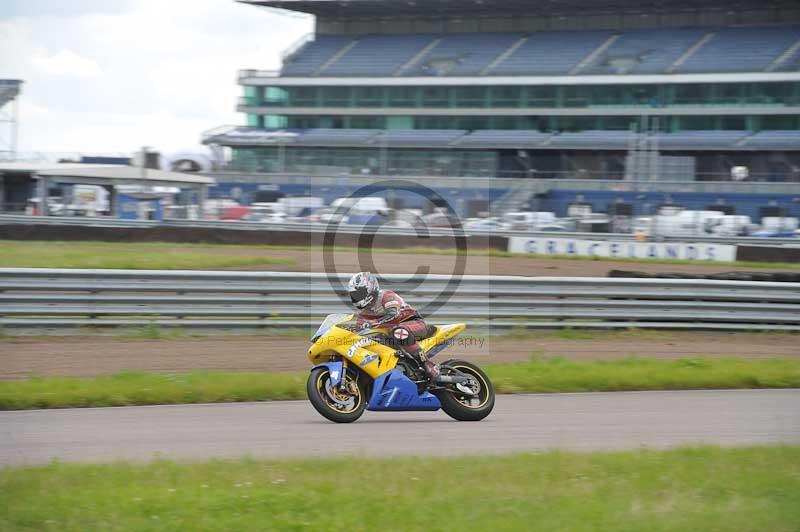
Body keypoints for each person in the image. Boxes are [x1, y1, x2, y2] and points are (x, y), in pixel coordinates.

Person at [347, 271, 439, 381]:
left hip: (413, 322)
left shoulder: (386, 296)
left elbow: (393, 314)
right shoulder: (364, 313)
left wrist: (375, 324)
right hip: (391, 334)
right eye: (355, 295)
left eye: (359, 294)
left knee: (398, 331)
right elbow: (359, 331)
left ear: (370, 289)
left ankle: (428, 365)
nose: (357, 298)